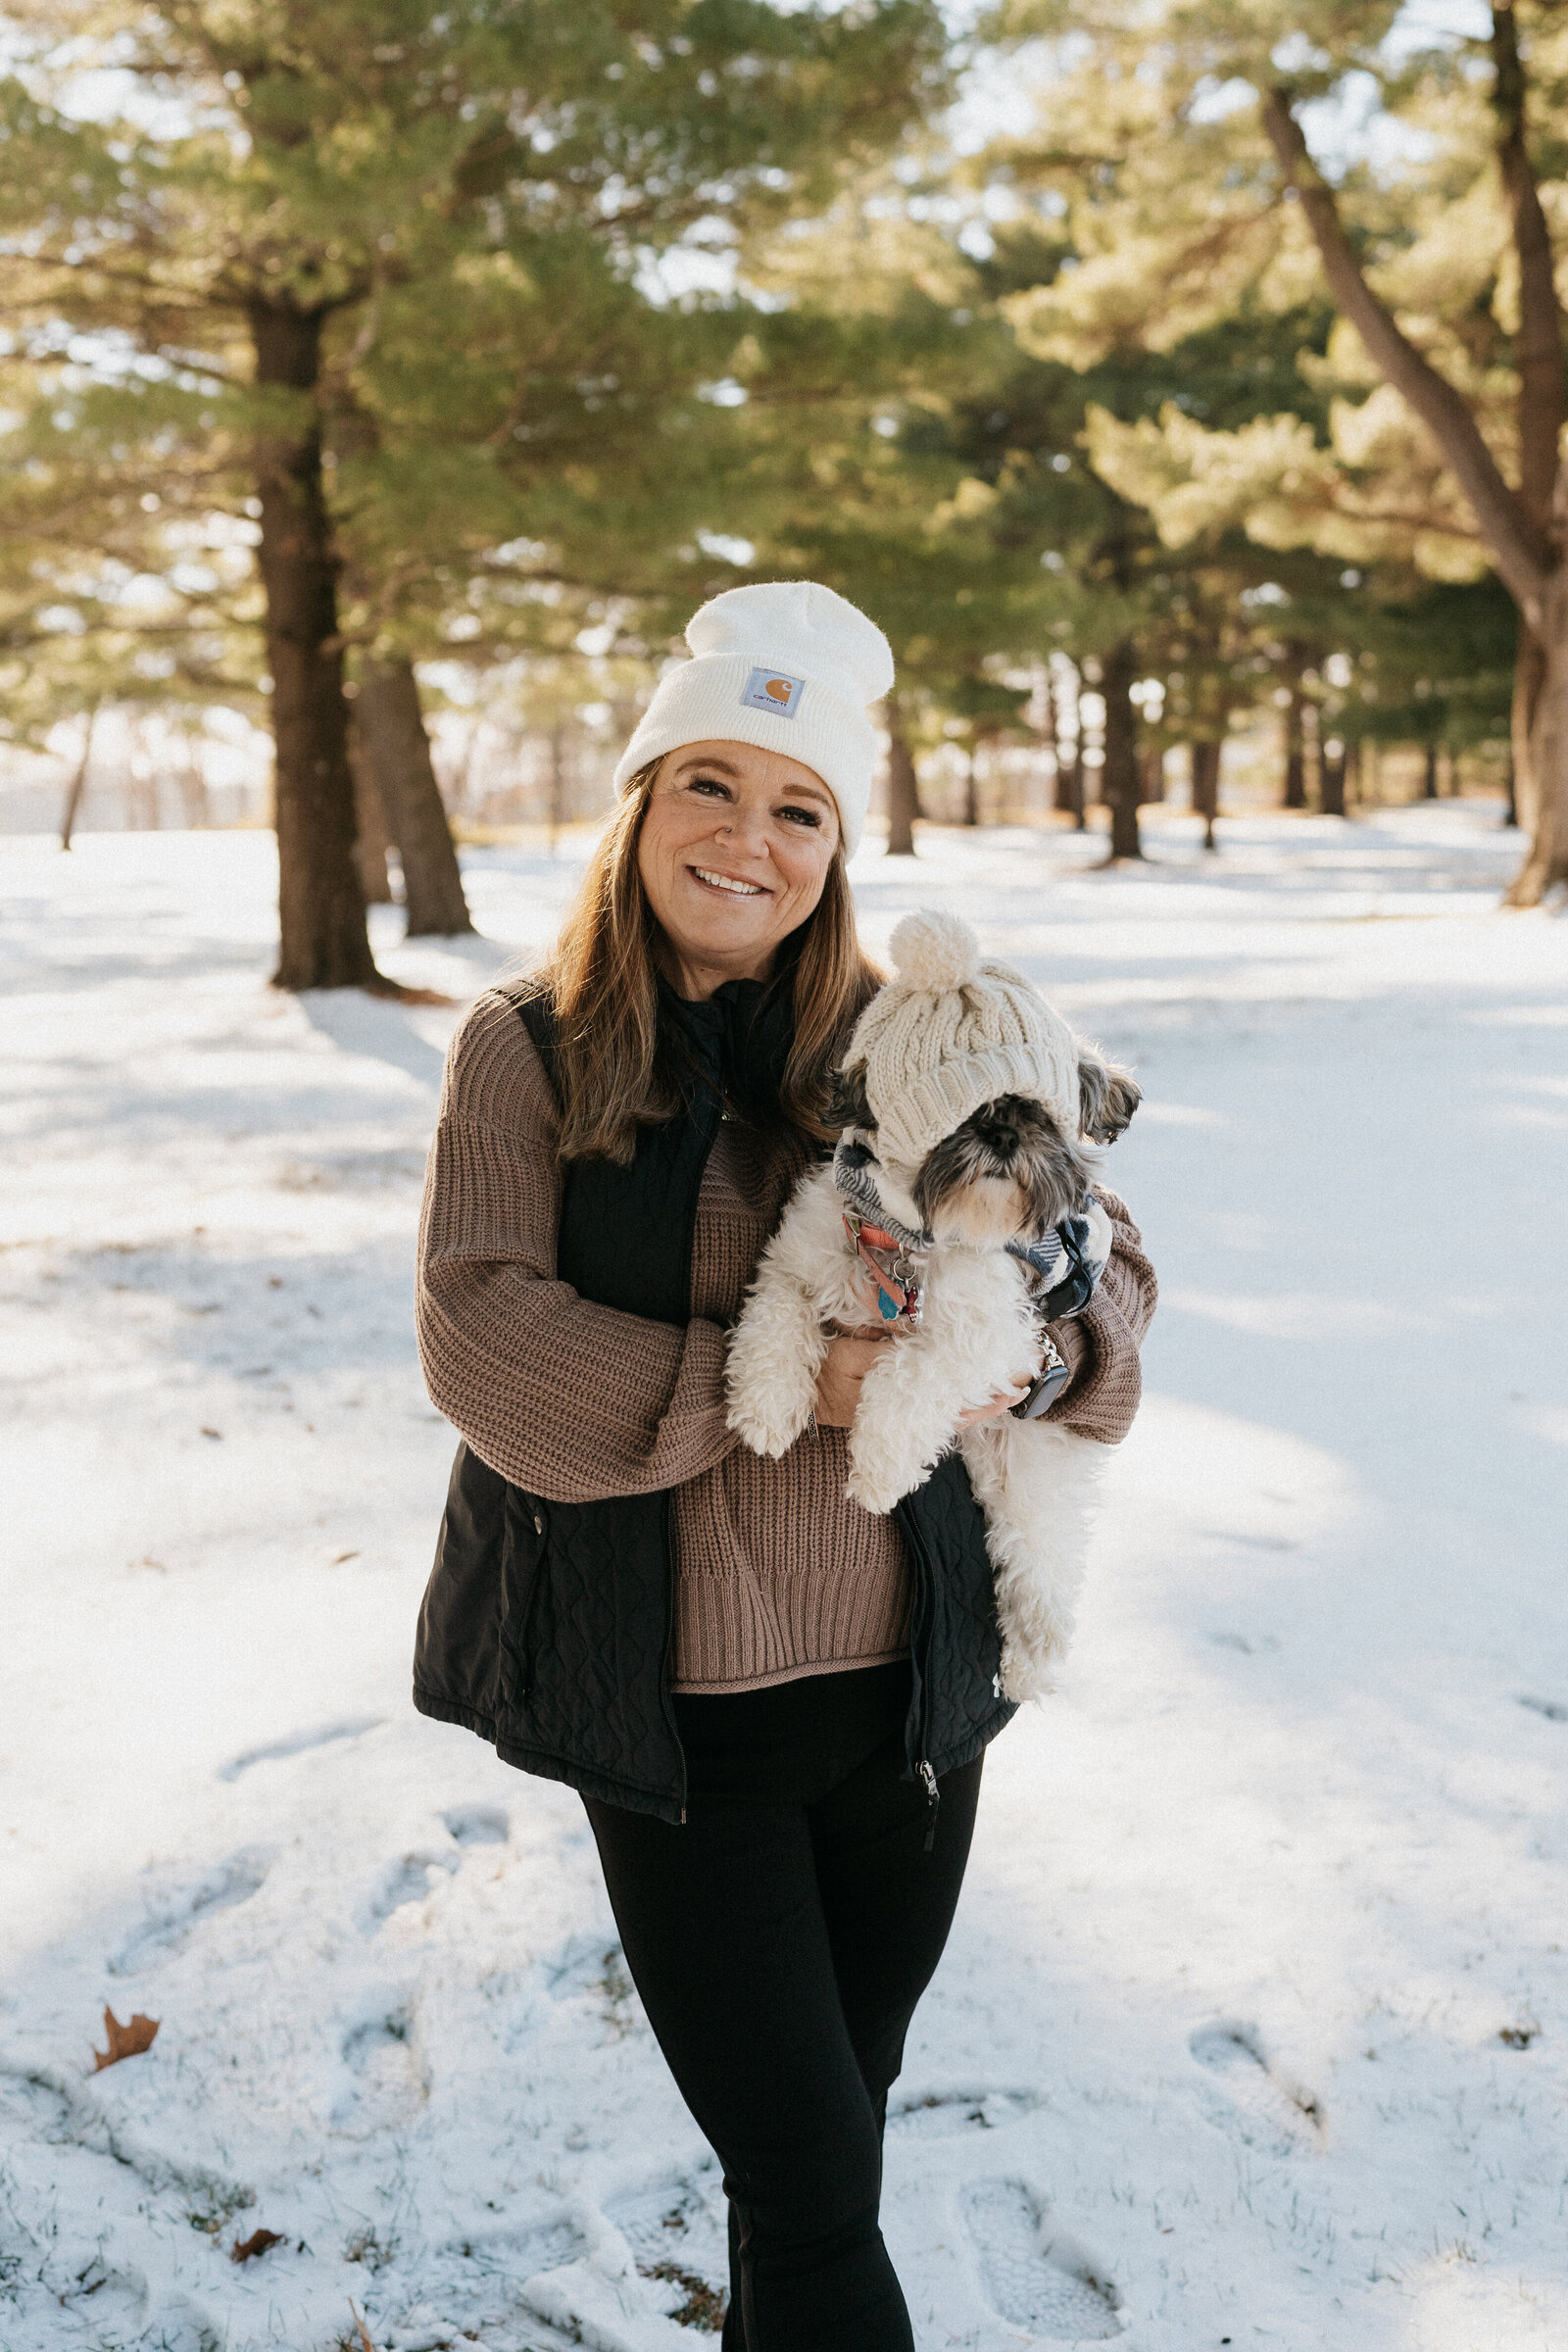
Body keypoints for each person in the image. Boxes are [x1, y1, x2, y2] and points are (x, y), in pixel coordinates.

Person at [413, 580, 1157, 2351]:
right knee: (820, 2199)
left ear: (839, 842)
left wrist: (1046, 1353)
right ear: (641, 802)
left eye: (800, 806)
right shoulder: (525, 1052)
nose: (750, 840)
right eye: (711, 787)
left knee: (825, 2146)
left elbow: (1107, 1252)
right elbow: (482, 1332)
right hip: (687, 1719)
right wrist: (804, 1386)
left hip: (914, 1698)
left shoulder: (920, 1034)